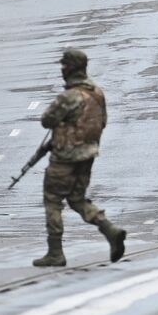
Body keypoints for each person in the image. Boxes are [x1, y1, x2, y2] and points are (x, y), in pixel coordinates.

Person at [33, 49, 126, 268]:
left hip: (64, 159)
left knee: (53, 200)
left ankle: (55, 252)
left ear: (70, 68)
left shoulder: (70, 96)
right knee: (77, 199)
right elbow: (102, 122)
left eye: (64, 66)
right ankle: (110, 230)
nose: (62, 70)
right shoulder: (97, 93)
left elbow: (47, 120)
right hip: (87, 156)